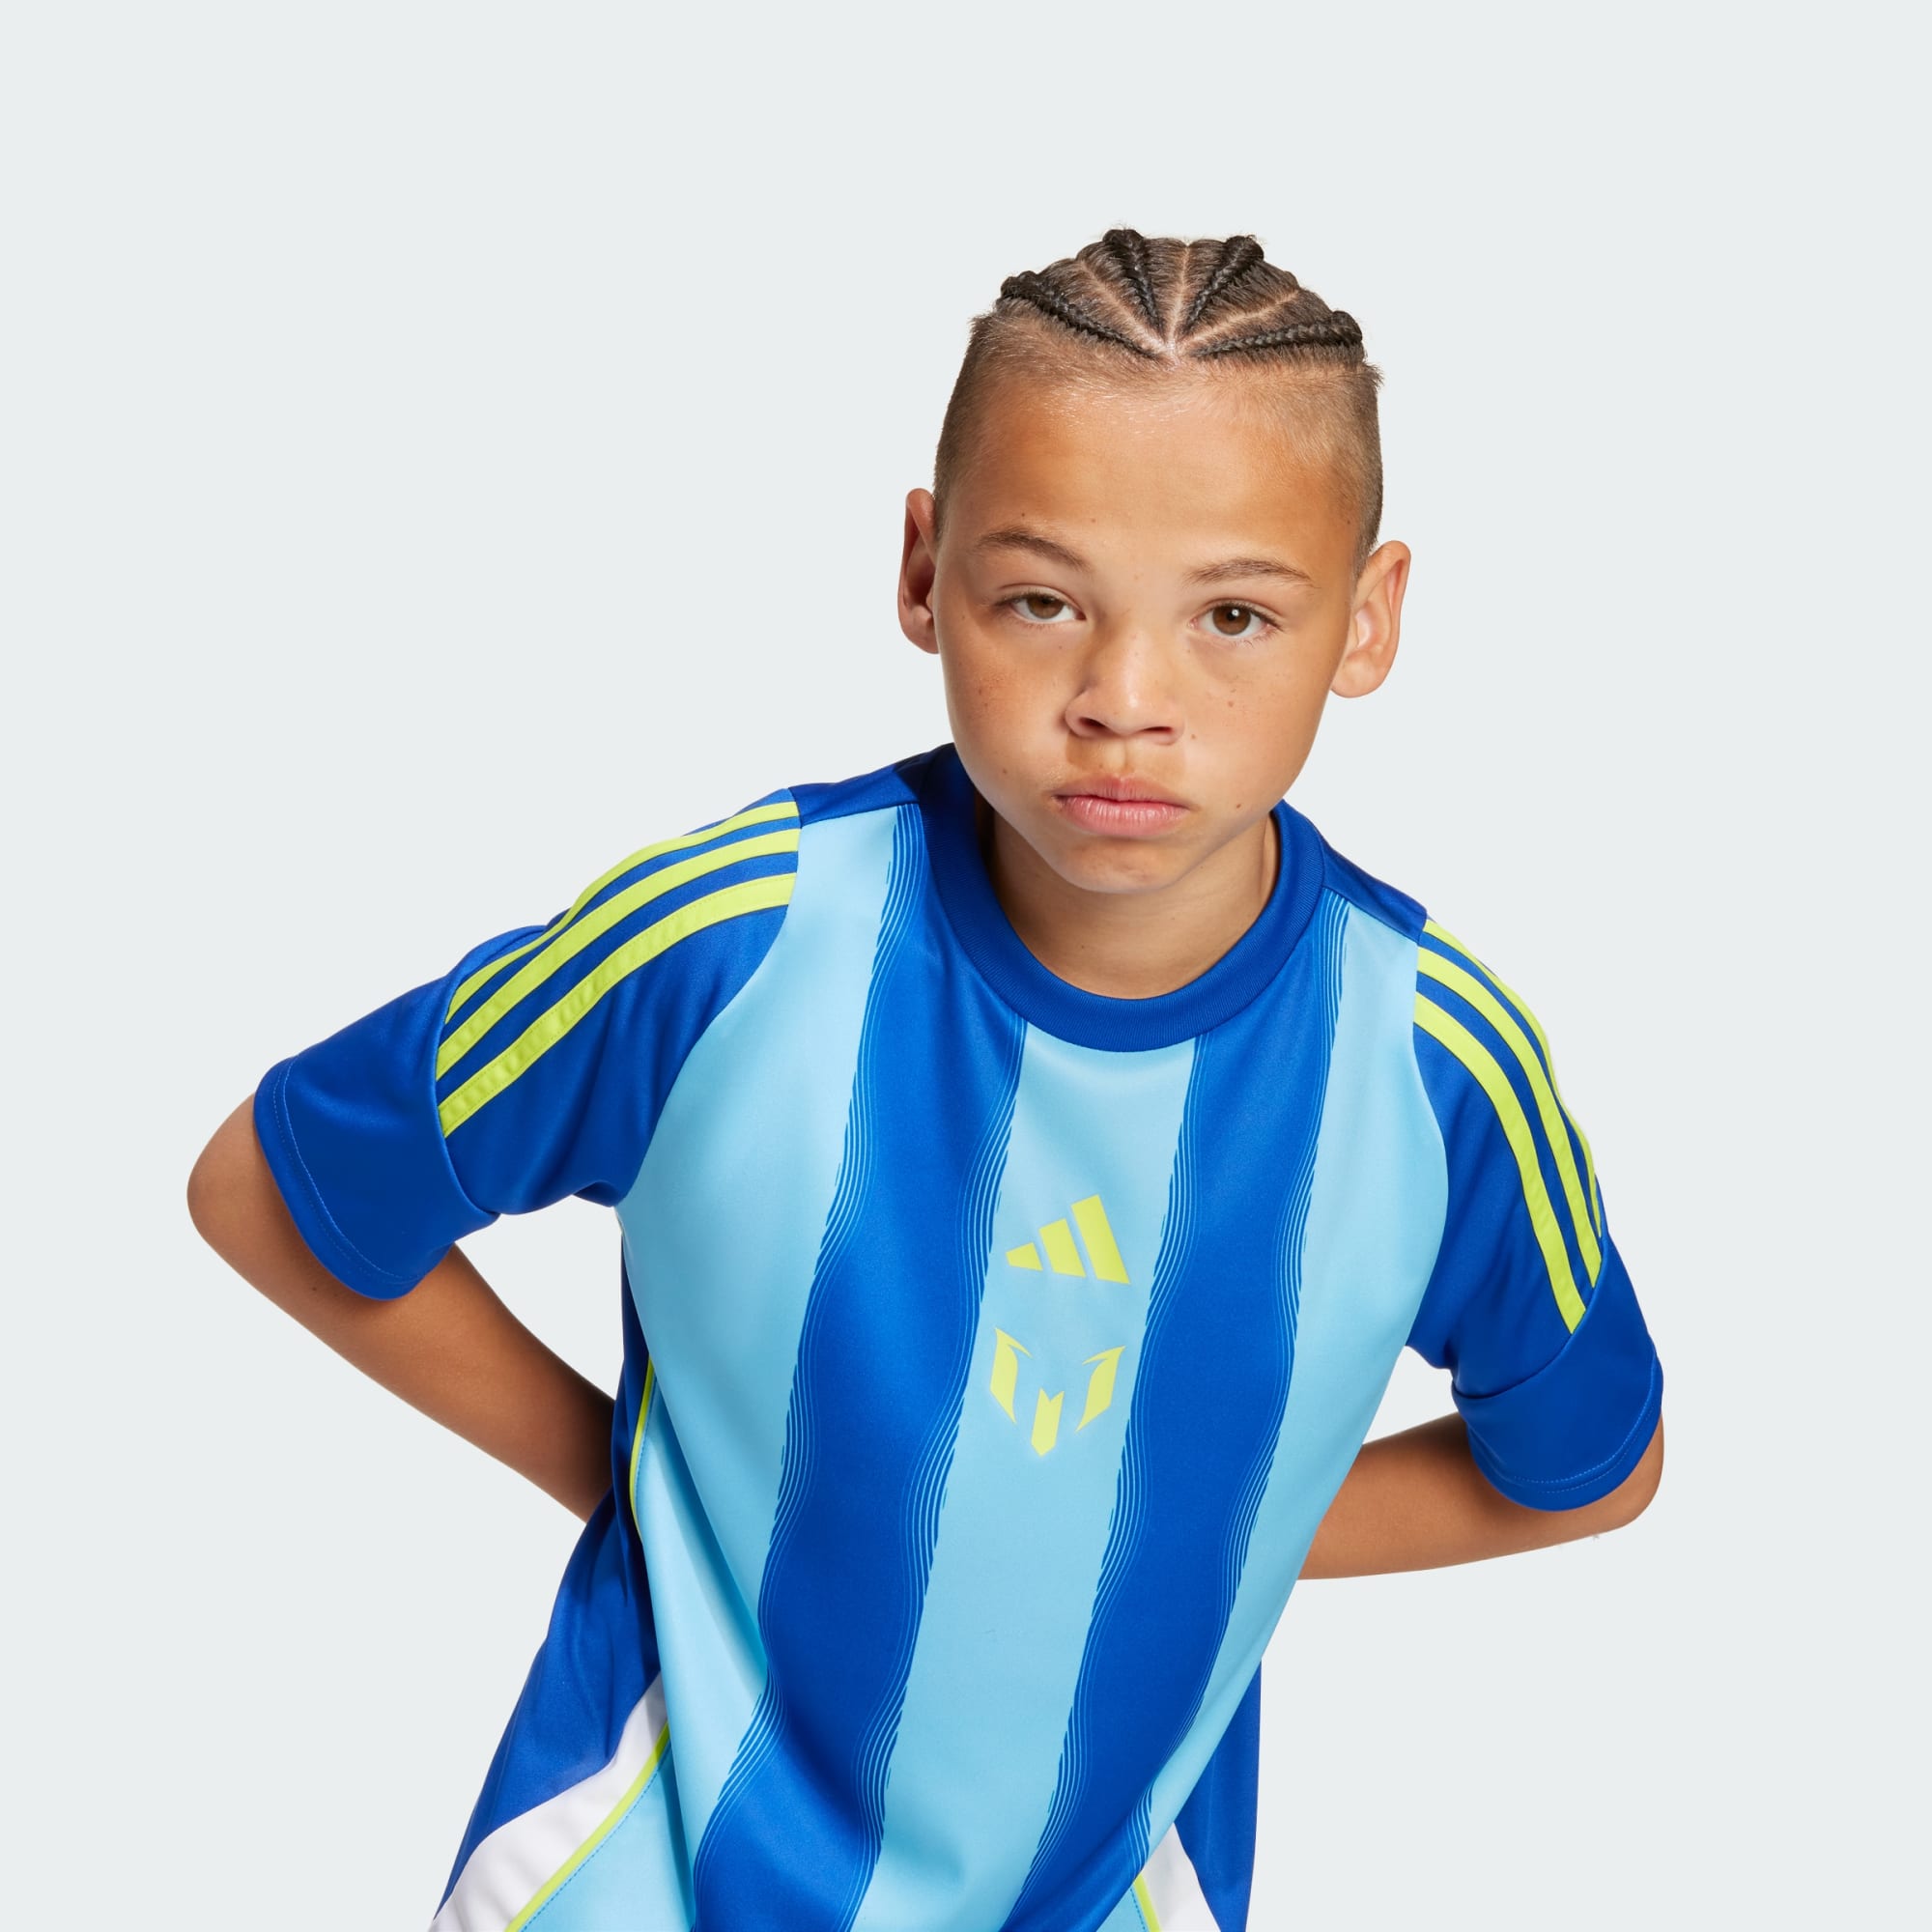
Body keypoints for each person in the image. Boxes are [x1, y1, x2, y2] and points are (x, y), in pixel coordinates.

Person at [187, 229, 1664, 1932]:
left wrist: (1183, 1541)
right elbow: (276, 1190)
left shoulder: (1435, 1069)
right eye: (1041, 600)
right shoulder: (733, 941)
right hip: (632, 1879)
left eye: (1234, 616)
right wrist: (646, 1485)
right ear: (922, 569)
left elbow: (1584, 1466)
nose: (1125, 701)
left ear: (1369, 618)